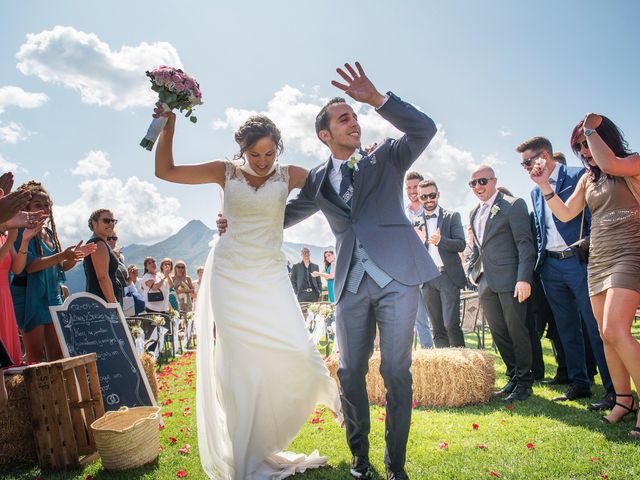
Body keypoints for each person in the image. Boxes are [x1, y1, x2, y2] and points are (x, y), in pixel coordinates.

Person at [154, 105, 342, 477]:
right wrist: (168, 126)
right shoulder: (224, 172)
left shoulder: (291, 176)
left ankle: (326, 397)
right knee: (240, 367)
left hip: (271, 275)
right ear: (241, 150)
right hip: (230, 276)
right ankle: (247, 453)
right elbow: (166, 171)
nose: (261, 161)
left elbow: (335, 190)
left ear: (279, 149)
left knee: (299, 348)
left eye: (269, 154)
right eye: (254, 154)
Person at [281, 62, 438, 480]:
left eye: (355, 116)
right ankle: (359, 460)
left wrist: (377, 99)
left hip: (399, 279)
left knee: (395, 371)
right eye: (343, 118)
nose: (354, 122)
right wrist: (240, 218)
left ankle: (395, 466)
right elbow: (282, 216)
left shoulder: (386, 155)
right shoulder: (316, 179)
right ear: (324, 135)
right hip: (349, 284)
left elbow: (424, 129)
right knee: (350, 371)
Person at [529, 113, 640, 438]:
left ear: (602, 137)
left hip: (630, 254)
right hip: (599, 259)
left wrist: (590, 126)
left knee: (615, 329)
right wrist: (544, 185)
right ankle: (623, 400)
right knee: (605, 335)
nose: (585, 151)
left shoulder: (630, 164)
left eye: (588, 142)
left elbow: (611, 162)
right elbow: (565, 212)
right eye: (579, 146)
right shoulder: (587, 180)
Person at [517, 136, 614, 408]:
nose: (525, 168)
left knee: (594, 326)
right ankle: (579, 383)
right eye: (522, 165)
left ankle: (613, 389)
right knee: (566, 328)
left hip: (579, 261)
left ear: (544, 156)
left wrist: (592, 246)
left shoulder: (579, 175)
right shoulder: (536, 191)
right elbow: (541, 230)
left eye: (528, 162)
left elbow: (597, 215)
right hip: (550, 266)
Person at [467, 165, 535, 402]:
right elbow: (477, 248)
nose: (478, 187)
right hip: (486, 282)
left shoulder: (513, 205)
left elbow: (525, 244)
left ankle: (526, 382)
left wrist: (524, 278)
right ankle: (513, 377)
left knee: (517, 330)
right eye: (473, 183)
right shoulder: (474, 213)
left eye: (482, 181)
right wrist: (471, 272)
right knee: (499, 333)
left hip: (511, 281)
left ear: (494, 181)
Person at [10, 181, 95, 363]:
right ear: (27, 207)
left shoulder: (49, 233)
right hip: (30, 297)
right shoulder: (20, 232)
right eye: (38, 205)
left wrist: (72, 258)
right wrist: (61, 255)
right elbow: (29, 266)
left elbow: (59, 267)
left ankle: (58, 391)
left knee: (58, 355)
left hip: (52, 296)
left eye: (47, 205)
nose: (43, 209)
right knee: (36, 358)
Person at [415, 179, 466, 348]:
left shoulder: (452, 216)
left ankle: (461, 365)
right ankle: (445, 369)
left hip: (448, 276)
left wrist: (440, 241)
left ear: (438, 195)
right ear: (419, 198)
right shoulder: (415, 222)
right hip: (427, 278)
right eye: (424, 197)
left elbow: (461, 244)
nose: (428, 200)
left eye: (432, 195)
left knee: (451, 324)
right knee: (437, 328)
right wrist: (418, 242)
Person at [404, 171, 435, 349]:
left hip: (433, 271)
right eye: (408, 188)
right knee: (420, 320)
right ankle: (428, 353)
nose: (412, 191)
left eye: (415, 186)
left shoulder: (433, 210)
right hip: (411, 273)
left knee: (440, 319)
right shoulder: (403, 212)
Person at [84, 209, 127, 305]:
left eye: (113, 221)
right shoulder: (98, 244)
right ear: (94, 223)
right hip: (103, 302)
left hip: (102, 301)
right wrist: (114, 304)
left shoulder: (101, 243)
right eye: (106, 220)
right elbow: (102, 277)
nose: (111, 224)